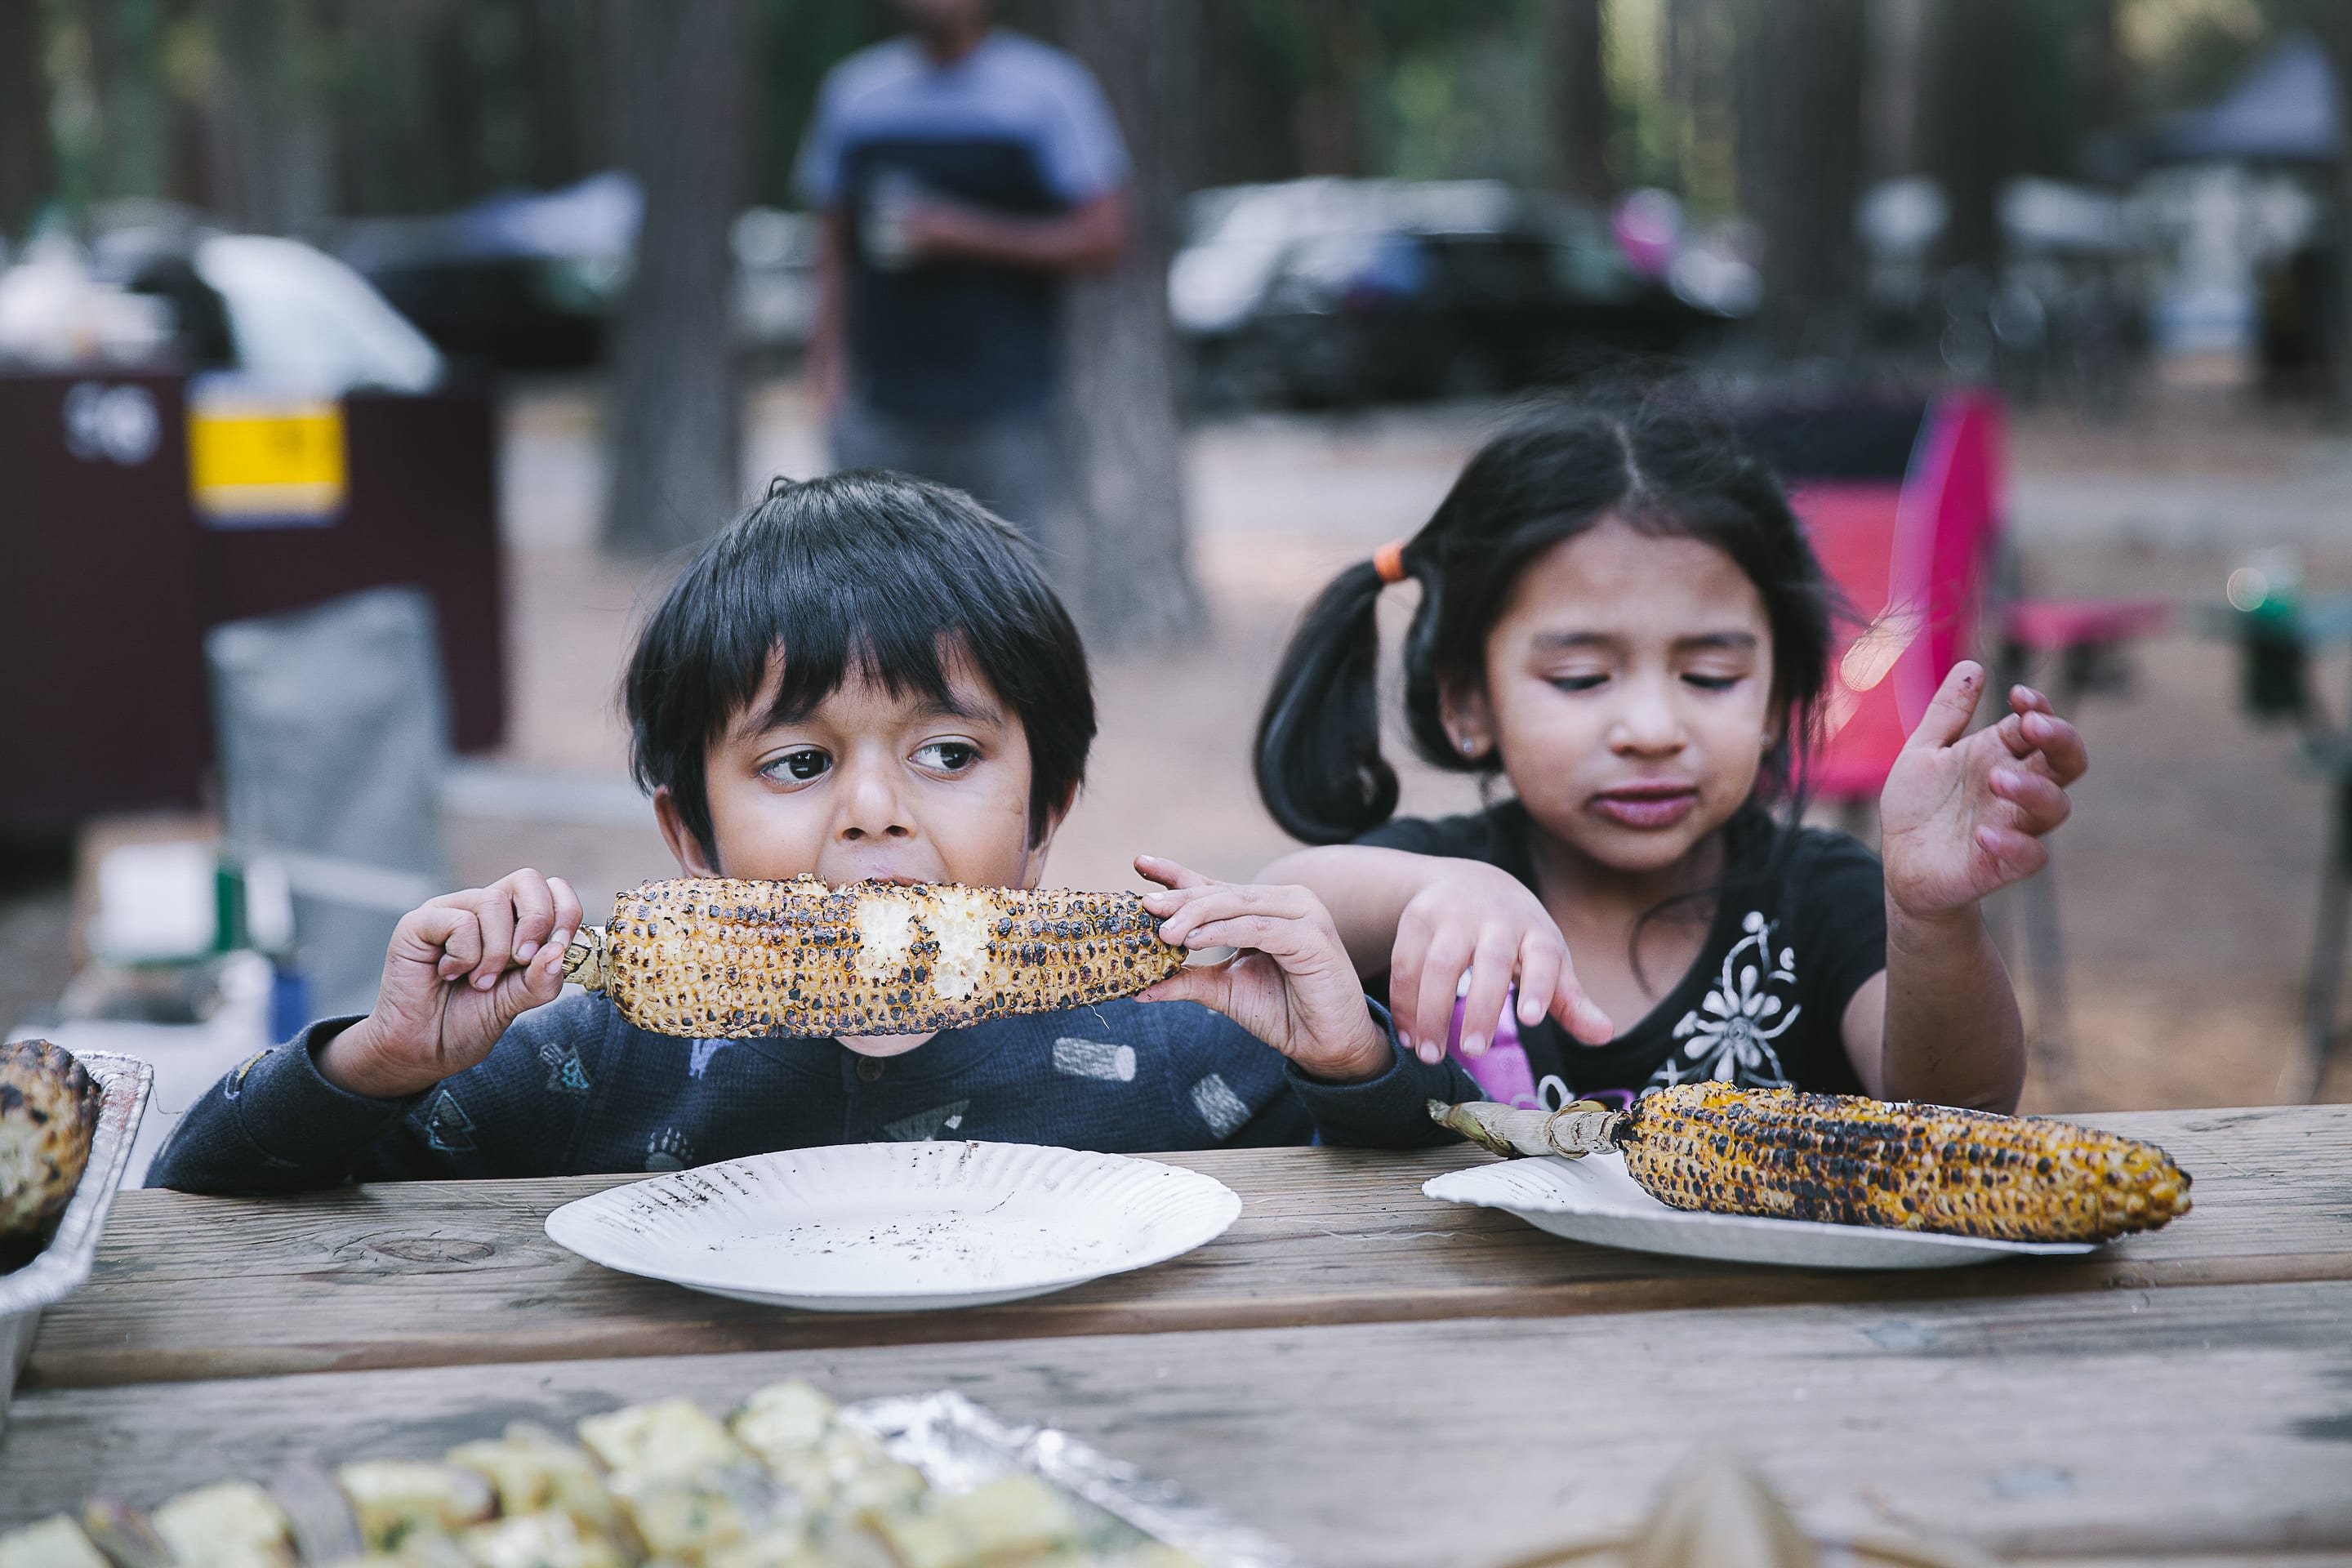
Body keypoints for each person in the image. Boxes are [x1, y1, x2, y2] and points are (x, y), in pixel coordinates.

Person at [149, 473, 1470, 1194]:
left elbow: (1414, 1191)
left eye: (949, 754)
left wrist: (1352, 1060)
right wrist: (380, 1063)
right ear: (690, 835)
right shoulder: (584, 1059)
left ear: (1050, 813)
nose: (877, 809)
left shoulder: (1181, 1045)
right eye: (796, 763)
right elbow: (202, 1190)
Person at [1253, 399, 2087, 1122]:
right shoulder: (1441, 882)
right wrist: (1432, 890)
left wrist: (1932, 922)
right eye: (1581, 678)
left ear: (1776, 701)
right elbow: (1281, 909)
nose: (1652, 728)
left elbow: (1962, 1112)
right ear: (1467, 703)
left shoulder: (1823, 901)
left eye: (1708, 675)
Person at [795, 0, 1129, 547]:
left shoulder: (1048, 91)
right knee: (872, 597)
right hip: (880, 404)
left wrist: (966, 235)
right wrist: (824, 368)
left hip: (1009, 409)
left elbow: (1107, 238)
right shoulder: (855, 93)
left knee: (1007, 597)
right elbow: (829, 243)